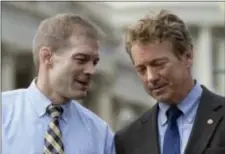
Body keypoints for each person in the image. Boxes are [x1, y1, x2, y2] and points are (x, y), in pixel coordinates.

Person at [114, 10, 225, 154]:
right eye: (141, 69)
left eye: (159, 64)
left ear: (188, 56)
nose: (151, 77)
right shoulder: (127, 140)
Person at [2, 13, 115, 154]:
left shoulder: (100, 134)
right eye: (81, 59)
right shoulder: (3, 113)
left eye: (94, 62)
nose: (91, 70)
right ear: (47, 57)